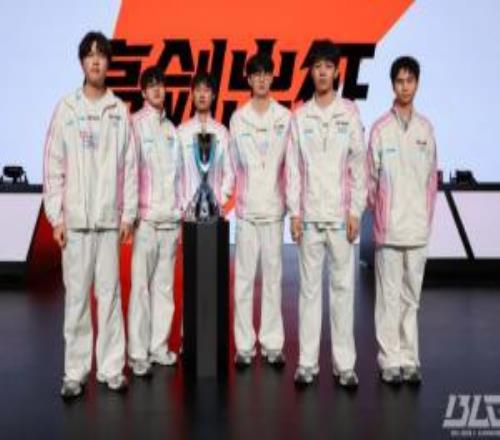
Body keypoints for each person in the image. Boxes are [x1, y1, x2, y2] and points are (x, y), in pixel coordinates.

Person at [43, 31, 137, 398]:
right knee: (77, 300)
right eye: (90, 55)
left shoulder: (119, 111)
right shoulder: (66, 109)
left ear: (108, 63)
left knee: (110, 297)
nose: (96, 61)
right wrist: (57, 217)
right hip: (77, 225)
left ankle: (111, 369)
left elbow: (130, 167)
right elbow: (53, 166)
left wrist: (127, 216)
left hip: (108, 223)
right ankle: (75, 372)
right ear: (82, 62)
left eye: (101, 55)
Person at [287, 40, 366, 388]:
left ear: (336, 72)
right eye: (317, 66)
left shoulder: (348, 113)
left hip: (340, 218)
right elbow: (293, 169)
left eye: (328, 66)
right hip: (310, 217)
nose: (322, 72)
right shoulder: (300, 116)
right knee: (308, 292)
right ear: (311, 72)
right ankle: (307, 363)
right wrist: (294, 213)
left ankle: (344, 365)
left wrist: (356, 211)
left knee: (343, 291)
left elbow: (358, 166)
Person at [367, 56, 437, 386]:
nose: (405, 86)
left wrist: (425, 219)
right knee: (388, 298)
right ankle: (389, 359)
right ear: (392, 85)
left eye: (410, 81)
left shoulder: (426, 130)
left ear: (417, 84)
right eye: (399, 81)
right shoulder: (381, 128)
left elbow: (431, 182)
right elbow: (370, 180)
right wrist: (381, 215)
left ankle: (409, 358)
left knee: (411, 299)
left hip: (417, 229)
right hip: (389, 230)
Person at [228, 52, 292, 369]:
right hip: (247, 211)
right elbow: (231, 165)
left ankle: (272, 344)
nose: (262, 79)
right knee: (242, 280)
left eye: (267, 73)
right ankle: (244, 346)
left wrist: (292, 207)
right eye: (256, 74)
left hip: (274, 209)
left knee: (273, 280)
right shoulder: (238, 119)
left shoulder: (285, 117)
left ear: (272, 77)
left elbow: (291, 167)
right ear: (249, 79)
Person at [127, 66, 183, 377]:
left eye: (161, 85)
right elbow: (128, 173)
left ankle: (158, 347)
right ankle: (138, 354)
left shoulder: (172, 129)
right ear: (143, 92)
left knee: (164, 289)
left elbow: (179, 177)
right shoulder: (134, 125)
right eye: (152, 86)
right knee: (140, 290)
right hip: (146, 221)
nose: (158, 90)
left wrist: (179, 214)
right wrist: (131, 215)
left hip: (170, 221)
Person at [178, 72, 232, 212]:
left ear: (213, 95)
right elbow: (175, 173)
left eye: (206, 90)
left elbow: (230, 172)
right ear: (192, 95)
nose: (202, 95)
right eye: (198, 90)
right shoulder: (182, 132)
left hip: (215, 212)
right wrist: (185, 204)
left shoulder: (222, 132)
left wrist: (218, 201)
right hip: (189, 212)